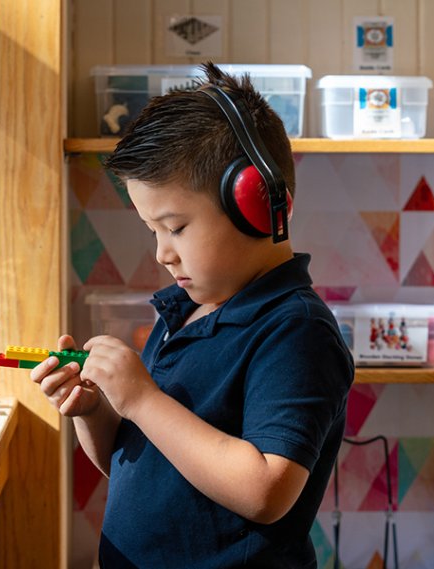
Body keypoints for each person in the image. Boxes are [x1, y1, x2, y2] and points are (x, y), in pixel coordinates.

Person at [31, 62, 354, 568]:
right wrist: (97, 409)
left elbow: (266, 491)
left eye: (175, 227)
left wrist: (141, 399)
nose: (162, 253)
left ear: (258, 204)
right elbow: (141, 465)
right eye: (151, 230)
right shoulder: (179, 313)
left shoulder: (295, 331)